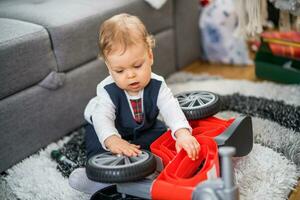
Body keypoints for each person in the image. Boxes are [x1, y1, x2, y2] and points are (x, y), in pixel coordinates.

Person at [69, 13, 200, 195]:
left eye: (137, 66)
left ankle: (153, 166)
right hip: (105, 125)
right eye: (120, 70)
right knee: (99, 147)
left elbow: (171, 108)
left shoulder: (158, 85)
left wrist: (183, 133)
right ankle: (96, 179)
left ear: (150, 56)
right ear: (109, 68)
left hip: (144, 125)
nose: (130, 75)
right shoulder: (107, 90)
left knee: (164, 137)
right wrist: (112, 139)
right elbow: (102, 117)